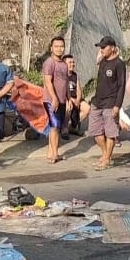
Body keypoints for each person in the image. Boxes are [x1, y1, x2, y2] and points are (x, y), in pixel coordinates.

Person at [90, 36, 127, 170]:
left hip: (111, 102)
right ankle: (106, 154)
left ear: (112, 47)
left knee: (110, 132)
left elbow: (122, 85)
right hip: (97, 101)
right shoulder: (102, 62)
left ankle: (106, 159)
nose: (102, 50)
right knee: (96, 131)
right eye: (100, 47)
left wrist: (117, 105)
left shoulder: (119, 64)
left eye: (104, 47)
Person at [42, 36, 69, 164]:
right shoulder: (49, 63)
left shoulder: (64, 64)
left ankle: (51, 152)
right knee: (55, 126)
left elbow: (66, 83)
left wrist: (68, 99)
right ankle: (54, 154)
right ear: (51, 48)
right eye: (56, 46)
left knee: (57, 127)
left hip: (63, 100)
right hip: (51, 100)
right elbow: (48, 82)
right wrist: (54, 98)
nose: (59, 49)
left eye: (61, 46)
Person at [63, 54, 84, 137]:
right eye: (70, 62)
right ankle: (64, 129)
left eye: (73, 62)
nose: (72, 64)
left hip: (75, 98)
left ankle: (71, 127)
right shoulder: (62, 76)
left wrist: (78, 100)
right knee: (68, 107)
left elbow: (79, 89)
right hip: (66, 98)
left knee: (87, 109)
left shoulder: (75, 75)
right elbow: (62, 91)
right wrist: (71, 99)